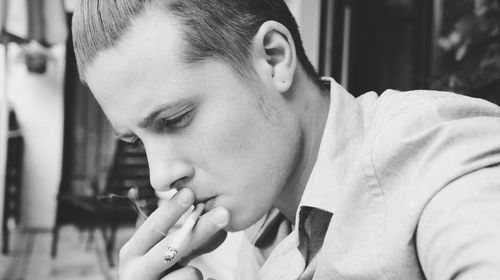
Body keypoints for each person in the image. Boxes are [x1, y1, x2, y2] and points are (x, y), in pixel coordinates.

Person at [71, 0, 500, 279]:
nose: (160, 176)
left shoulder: (434, 154)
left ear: (274, 58)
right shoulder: (241, 229)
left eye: (176, 118)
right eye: (135, 140)